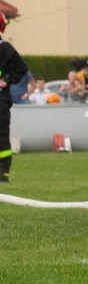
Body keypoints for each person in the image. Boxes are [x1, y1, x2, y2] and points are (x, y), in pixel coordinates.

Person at [0, 12, 29, 181]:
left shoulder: (4, 48)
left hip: (0, 100)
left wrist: (6, 80)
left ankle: (2, 171)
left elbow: (21, 68)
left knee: (1, 136)